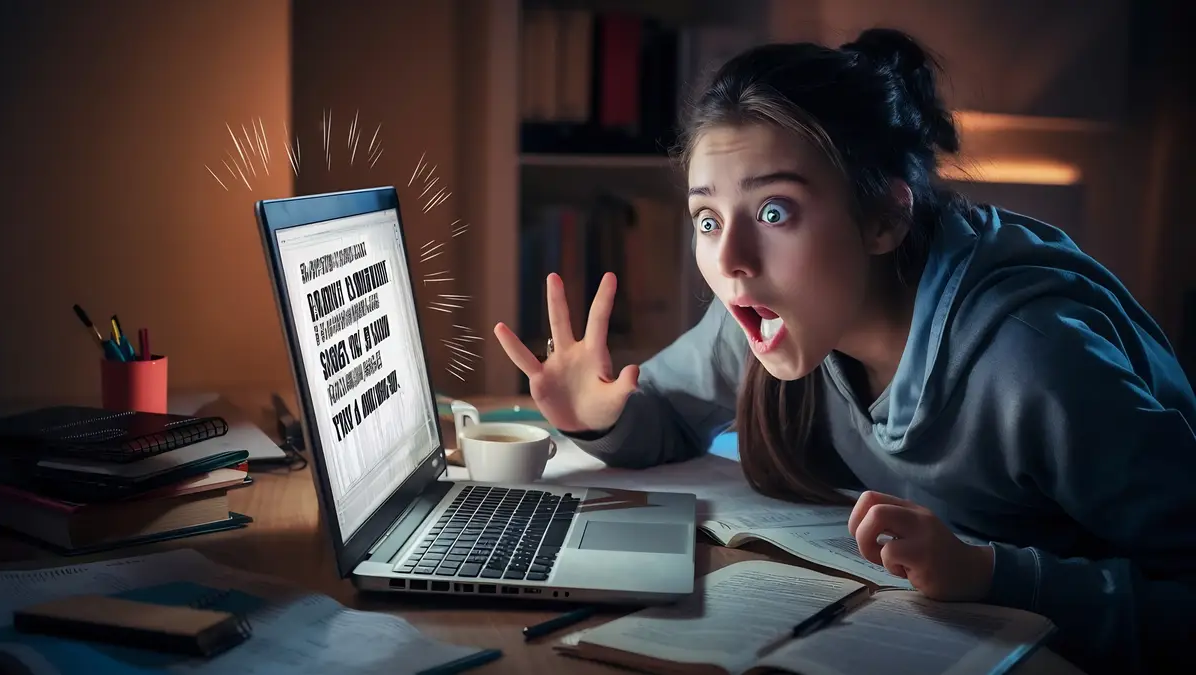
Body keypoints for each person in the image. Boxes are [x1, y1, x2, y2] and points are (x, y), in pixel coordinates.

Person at [493, 28, 1196, 674]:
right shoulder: (771, 314)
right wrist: (599, 417)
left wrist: (991, 573)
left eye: (775, 211)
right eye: (707, 218)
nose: (730, 259)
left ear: (886, 216)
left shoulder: (1035, 362)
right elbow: (666, 412)